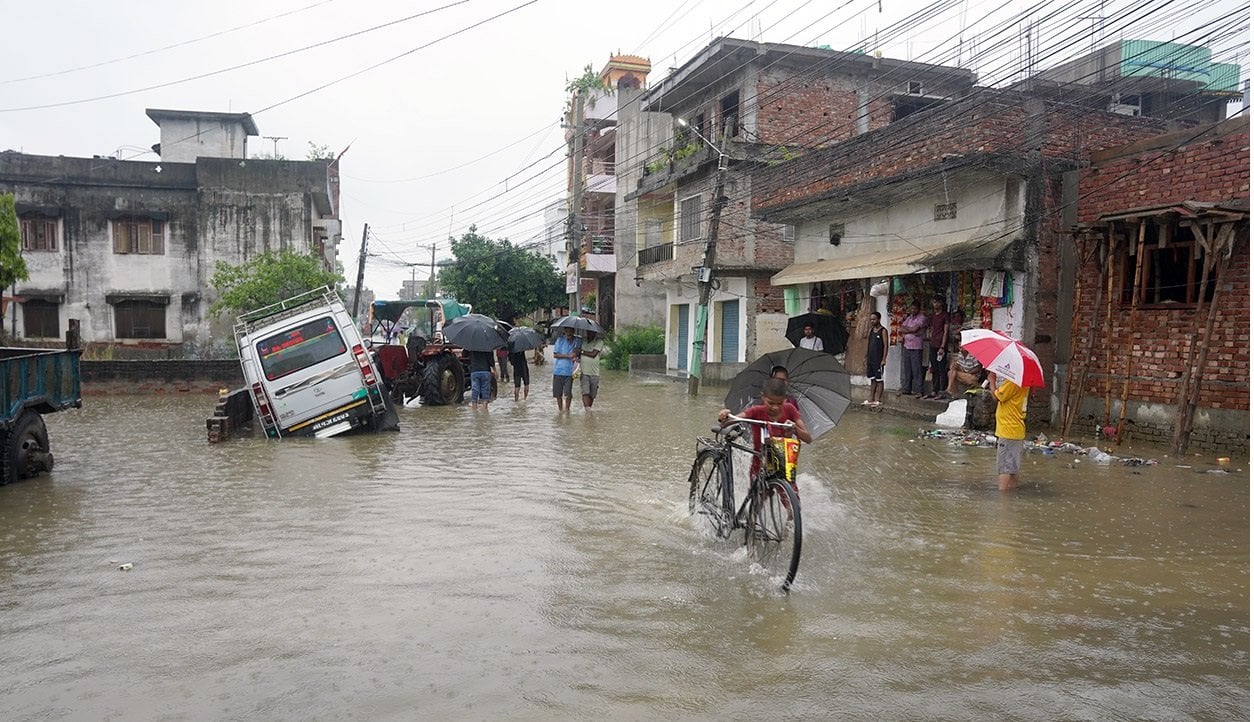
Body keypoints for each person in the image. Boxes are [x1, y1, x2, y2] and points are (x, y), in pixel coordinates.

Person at [717, 377, 812, 489]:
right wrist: (724, 416)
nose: (775, 407)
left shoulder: (790, 409)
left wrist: (795, 428)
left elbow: (808, 439)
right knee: (759, 498)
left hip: (783, 462)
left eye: (779, 403)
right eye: (771, 403)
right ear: (763, 398)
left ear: (785, 400)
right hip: (759, 463)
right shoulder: (756, 411)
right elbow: (733, 420)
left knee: (790, 497)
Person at [991, 372, 1030, 492]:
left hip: (1008, 429)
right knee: (1013, 467)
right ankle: (1012, 494)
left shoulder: (1012, 382)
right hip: (1017, 429)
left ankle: (1002, 498)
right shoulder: (1024, 382)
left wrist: (992, 381)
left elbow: (997, 396)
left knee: (1004, 467)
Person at [899, 300, 928, 397]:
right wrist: (911, 331)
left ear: (918, 309)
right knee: (907, 368)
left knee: (917, 369)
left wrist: (908, 330)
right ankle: (907, 388)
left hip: (916, 347)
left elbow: (914, 329)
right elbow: (901, 328)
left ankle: (919, 390)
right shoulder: (909, 318)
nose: (913, 310)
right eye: (912, 308)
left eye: (915, 308)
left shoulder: (922, 318)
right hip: (907, 346)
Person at [923, 297, 950, 399]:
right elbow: (930, 328)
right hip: (933, 344)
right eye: (934, 302)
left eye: (937, 302)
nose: (935, 304)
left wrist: (942, 346)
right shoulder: (932, 316)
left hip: (941, 345)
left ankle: (942, 391)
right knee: (934, 368)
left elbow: (946, 331)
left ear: (941, 303)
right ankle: (934, 390)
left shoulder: (945, 315)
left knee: (941, 369)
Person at [551, 327, 581, 413]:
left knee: (568, 393)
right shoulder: (560, 340)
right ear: (564, 332)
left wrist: (577, 353)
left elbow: (579, 351)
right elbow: (555, 355)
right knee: (558, 394)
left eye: (570, 331)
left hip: (570, 372)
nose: (568, 333)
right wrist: (568, 356)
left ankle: (567, 409)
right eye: (567, 331)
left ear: (573, 331)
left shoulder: (578, 340)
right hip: (558, 370)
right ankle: (560, 410)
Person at [863, 311, 888, 406]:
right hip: (870, 358)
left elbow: (886, 346)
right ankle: (871, 398)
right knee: (872, 379)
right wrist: (866, 357)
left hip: (878, 359)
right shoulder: (871, 331)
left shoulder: (883, 331)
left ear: (878, 319)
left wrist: (884, 359)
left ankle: (878, 399)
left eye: (874, 319)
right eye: (871, 319)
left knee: (879, 379)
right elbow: (868, 345)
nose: (872, 321)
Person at [579, 330, 605, 409]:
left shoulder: (599, 341)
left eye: (592, 332)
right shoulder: (583, 341)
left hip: (595, 372)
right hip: (584, 371)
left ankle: (588, 408)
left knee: (592, 394)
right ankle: (587, 411)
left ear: (595, 333)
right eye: (588, 332)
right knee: (585, 392)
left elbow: (593, 354)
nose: (589, 334)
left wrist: (582, 351)